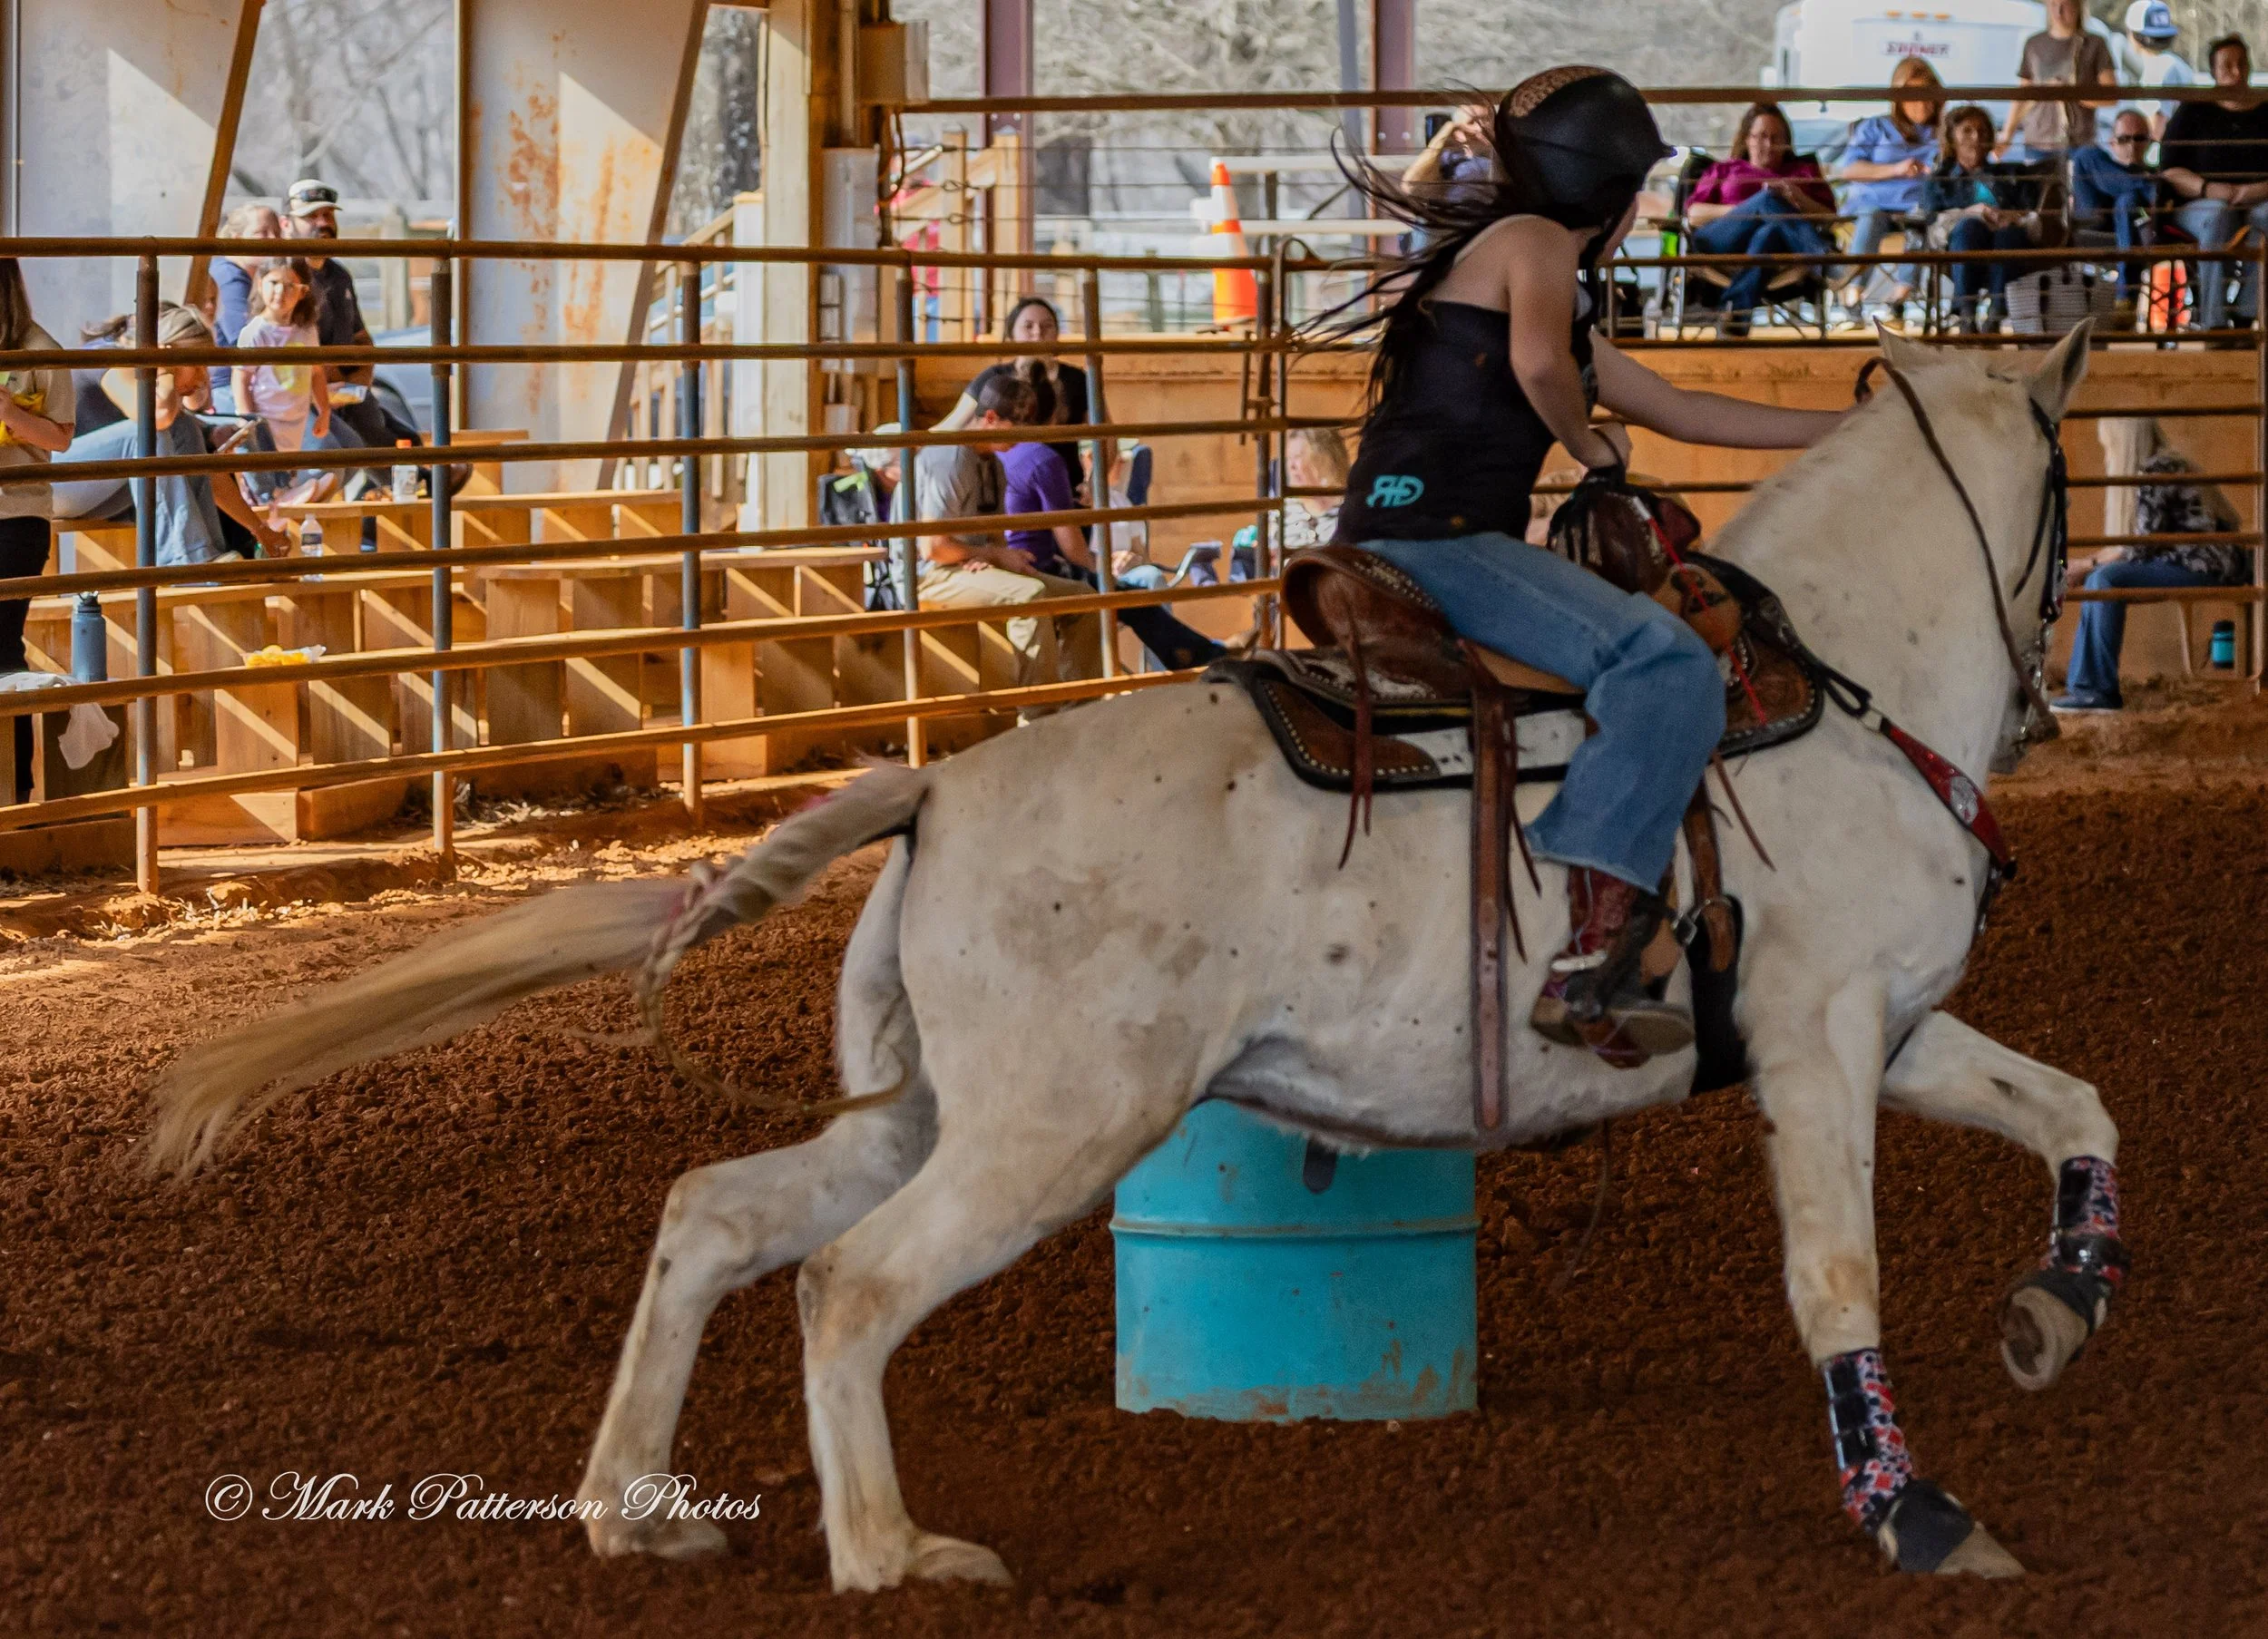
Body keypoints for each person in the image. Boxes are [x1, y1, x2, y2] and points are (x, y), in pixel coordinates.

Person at [1326, 67, 1845, 1064]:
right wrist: (1587, 445)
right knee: (1666, 665)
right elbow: (1538, 370)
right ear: (1605, 188)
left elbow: (1688, 410)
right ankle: (1596, 946)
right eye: (1637, 189)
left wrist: (1850, 428)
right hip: (1438, 541)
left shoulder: (1506, 260)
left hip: (1405, 532)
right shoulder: (1534, 248)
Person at [54, 305, 292, 565]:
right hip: (48, 486)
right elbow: (157, 416)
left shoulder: (150, 380)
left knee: (185, 430)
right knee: (145, 434)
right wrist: (165, 368)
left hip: (96, 491)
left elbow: (207, 472)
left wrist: (259, 529)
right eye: (198, 366)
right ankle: (188, 560)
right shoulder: (113, 360)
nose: (203, 379)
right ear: (168, 352)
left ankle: (212, 554)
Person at [996, 402, 1222, 670]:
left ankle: (1182, 663)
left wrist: (1132, 560)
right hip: (1083, 568)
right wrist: (1106, 564)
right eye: (1107, 455)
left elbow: (1142, 556)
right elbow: (1072, 550)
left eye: (1120, 457)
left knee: (1146, 580)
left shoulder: (1121, 502)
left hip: (1104, 571)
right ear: (1086, 460)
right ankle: (1199, 657)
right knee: (1111, 595)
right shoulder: (1057, 484)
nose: (1119, 462)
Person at [912, 373, 1100, 694]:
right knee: (1028, 596)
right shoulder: (949, 459)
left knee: (1083, 599)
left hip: (970, 566)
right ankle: (1038, 714)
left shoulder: (995, 465)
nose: (1026, 436)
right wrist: (989, 555)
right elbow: (932, 547)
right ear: (990, 418)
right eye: (1018, 425)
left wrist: (997, 558)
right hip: (931, 575)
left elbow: (994, 534)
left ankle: (1079, 706)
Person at [2057, 427, 2249, 712]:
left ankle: (2095, 690)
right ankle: (2085, 687)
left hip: (2200, 566)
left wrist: (2086, 565)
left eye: (2109, 445)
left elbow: (2141, 546)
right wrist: (2088, 565)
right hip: (2203, 563)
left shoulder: (2155, 470)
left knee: (2104, 579)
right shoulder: (2168, 462)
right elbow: (2140, 544)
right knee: (2100, 578)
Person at [0, 258, 77, 800]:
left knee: (3, 649)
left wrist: (8, 410)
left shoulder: (37, 348)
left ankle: (15, 791)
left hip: (15, 515)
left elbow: (61, 438)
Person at [1685, 102, 1838, 331]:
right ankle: (1824, 260)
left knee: (1768, 233)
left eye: (1777, 138)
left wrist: (1797, 198)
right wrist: (1749, 209)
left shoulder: (1802, 172)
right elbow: (1693, 214)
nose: (1768, 145)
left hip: (1779, 248)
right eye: (1761, 136)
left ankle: (1736, 317)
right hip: (1720, 240)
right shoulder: (1724, 170)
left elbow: (1829, 217)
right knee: (1767, 199)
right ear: (1747, 138)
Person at [934, 297, 1090, 502]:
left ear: (1057, 333)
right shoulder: (994, 379)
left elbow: (1107, 434)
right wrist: (913, 447)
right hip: (1006, 492)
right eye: (1028, 326)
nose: (1038, 332)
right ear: (1012, 334)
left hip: (1066, 492)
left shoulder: (1076, 379)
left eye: (1047, 326)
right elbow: (952, 425)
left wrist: (1093, 483)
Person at [2162, 34, 2268, 333]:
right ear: (2214, 73)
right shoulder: (2193, 111)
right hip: (2201, 203)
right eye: (2227, 66)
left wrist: (2256, 190)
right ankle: (2215, 323)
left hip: (2259, 200)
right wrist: (2209, 189)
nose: (2236, 72)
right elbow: (2169, 169)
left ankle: (2247, 315)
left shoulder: (2265, 110)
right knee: (2219, 214)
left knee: (2266, 219)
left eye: (2241, 64)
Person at [1921, 105, 2048, 331]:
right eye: (1967, 131)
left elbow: (2033, 216)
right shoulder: (1940, 181)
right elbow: (1933, 220)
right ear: (1952, 138)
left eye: (1982, 131)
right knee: (1970, 227)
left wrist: (2011, 216)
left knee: (2009, 234)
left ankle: (1996, 315)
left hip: (2005, 239)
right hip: (1964, 242)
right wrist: (1973, 212)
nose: (1977, 137)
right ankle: (1966, 315)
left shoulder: (2012, 174)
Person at [1835, 60, 1942, 326]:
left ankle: (1899, 297)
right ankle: (1852, 297)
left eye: (1930, 97)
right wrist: (1896, 169)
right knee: (1872, 217)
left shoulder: (1942, 133)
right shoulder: (1874, 127)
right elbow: (1849, 170)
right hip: (1873, 203)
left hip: (1916, 206)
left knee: (1922, 219)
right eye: (1915, 97)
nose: (1924, 104)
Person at [232, 256, 331, 502]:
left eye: (290, 286)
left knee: (288, 467)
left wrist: (324, 409)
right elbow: (241, 377)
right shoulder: (256, 332)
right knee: (264, 466)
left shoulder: (307, 330)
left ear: (303, 292)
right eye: (274, 282)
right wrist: (248, 418)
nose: (280, 292)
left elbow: (316, 372)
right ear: (260, 283)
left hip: (295, 418)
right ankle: (270, 500)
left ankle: (283, 499)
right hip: (266, 417)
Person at [2000, 0, 2116, 163]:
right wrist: (2007, 134)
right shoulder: (2034, 44)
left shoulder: (2094, 44)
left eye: (2065, 5)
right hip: (2038, 141)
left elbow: (2111, 96)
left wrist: (2071, 94)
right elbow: (2023, 94)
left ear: (2078, 7)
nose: (2059, 11)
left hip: (2079, 142)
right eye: (2053, 5)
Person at [2070, 110, 2166, 299]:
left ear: (2149, 141)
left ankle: (2126, 299)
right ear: (2112, 143)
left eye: (2139, 138)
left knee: (2128, 200)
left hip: (2132, 227)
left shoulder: (2154, 172)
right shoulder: (2099, 164)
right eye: (2124, 139)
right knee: (2085, 154)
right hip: (2096, 221)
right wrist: (2148, 186)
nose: (2132, 145)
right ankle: (2144, 188)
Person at [209, 202, 284, 410]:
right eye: (262, 233)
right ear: (237, 239)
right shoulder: (230, 277)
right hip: (226, 385)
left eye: (277, 232)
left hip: (254, 379)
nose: (274, 240)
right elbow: (242, 337)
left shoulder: (257, 275)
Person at [2115, 0, 2195, 143]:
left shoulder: (2157, 68)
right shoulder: (2177, 64)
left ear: (2135, 35)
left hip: (2161, 156)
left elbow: (2157, 127)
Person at [1281, 425, 1349, 551]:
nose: (1291, 466)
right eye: (1288, 459)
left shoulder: (1352, 510)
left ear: (1324, 459)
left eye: (1297, 457)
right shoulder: (1281, 513)